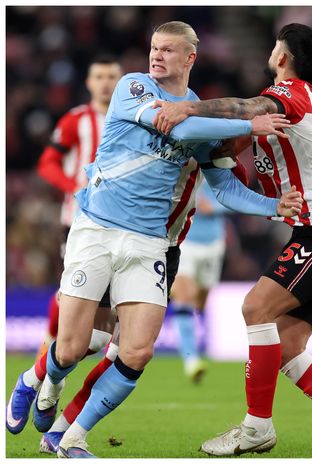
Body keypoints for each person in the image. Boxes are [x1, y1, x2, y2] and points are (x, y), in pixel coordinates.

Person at [7, 21, 303, 458]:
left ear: (190, 58)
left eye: (168, 50)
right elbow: (177, 130)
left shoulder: (199, 110)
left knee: (137, 351)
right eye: (154, 47)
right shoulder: (134, 87)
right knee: (71, 347)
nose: (157, 55)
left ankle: (71, 439)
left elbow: (220, 184)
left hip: (150, 242)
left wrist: (272, 206)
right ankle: (38, 380)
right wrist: (248, 121)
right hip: (97, 230)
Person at [152, 23, 312, 457]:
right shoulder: (287, 111)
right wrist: (220, 152)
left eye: (276, 44)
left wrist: (189, 111)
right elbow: (240, 159)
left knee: (255, 307)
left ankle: (256, 428)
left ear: (283, 56)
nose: (272, 48)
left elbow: (246, 107)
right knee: (285, 346)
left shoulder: (292, 93)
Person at [37, 152, 249, 454]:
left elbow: (238, 184)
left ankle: (62, 433)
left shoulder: (209, 141)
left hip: (171, 249)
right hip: (121, 240)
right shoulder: (148, 127)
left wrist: (269, 204)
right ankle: (37, 382)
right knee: (91, 341)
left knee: (124, 354)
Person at [34, 56, 122, 360]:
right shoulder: (76, 120)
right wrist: (74, 185)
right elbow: (47, 163)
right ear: (88, 82)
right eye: (99, 77)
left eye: (112, 76)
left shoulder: (132, 119)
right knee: (70, 288)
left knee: (110, 300)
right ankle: (48, 345)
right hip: (78, 220)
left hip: (122, 223)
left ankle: (74, 359)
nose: (106, 83)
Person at [170, 185, 231, 383]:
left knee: (200, 301)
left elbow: (238, 198)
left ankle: (198, 341)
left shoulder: (222, 162)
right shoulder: (181, 162)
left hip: (213, 243)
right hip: (184, 240)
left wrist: (213, 206)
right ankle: (191, 359)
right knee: (184, 295)